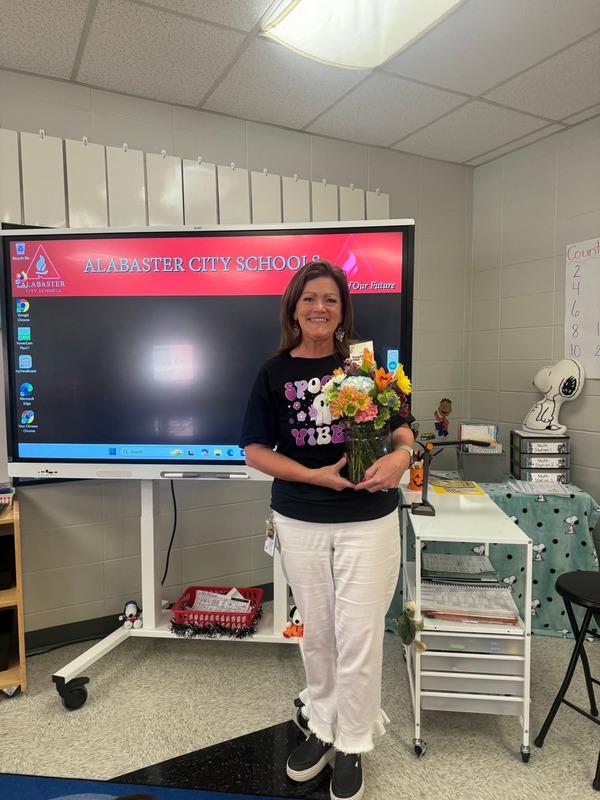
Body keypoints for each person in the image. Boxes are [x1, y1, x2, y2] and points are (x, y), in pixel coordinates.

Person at [240, 260, 414, 800]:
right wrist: (314, 475)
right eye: (310, 298)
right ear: (294, 308)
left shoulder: (363, 364)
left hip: (368, 520)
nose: (320, 307)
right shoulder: (273, 372)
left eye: (331, 300)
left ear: (343, 311)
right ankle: (322, 724)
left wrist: (403, 456)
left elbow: (402, 427)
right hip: (301, 517)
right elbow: (254, 451)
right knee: (317, 632)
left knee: (359, 635)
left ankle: (354, 741)